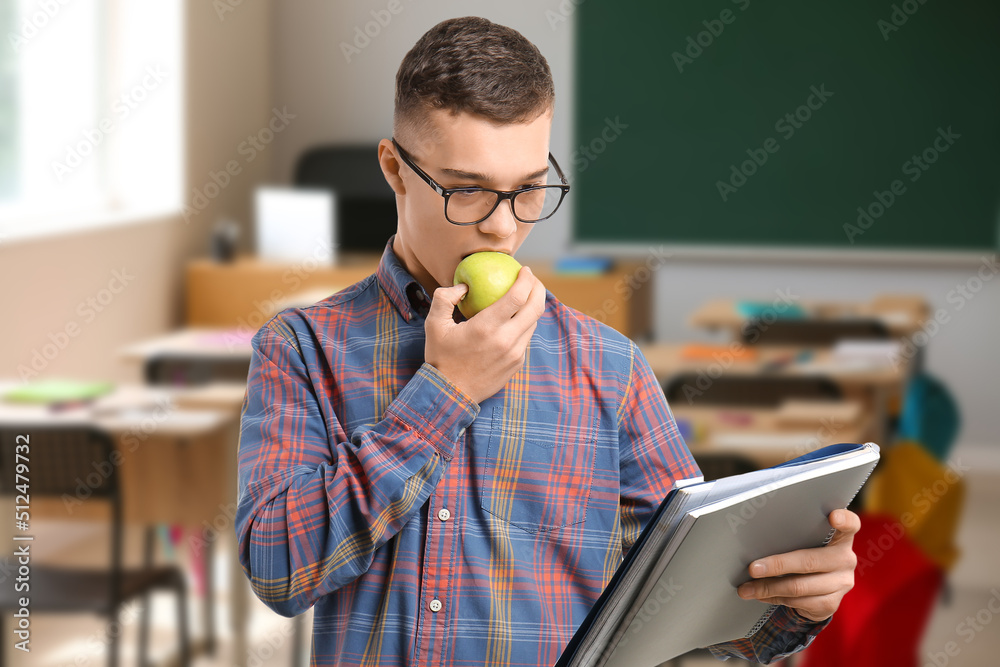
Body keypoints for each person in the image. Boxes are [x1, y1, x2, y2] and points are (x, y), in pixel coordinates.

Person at [235, 16, 860, 666]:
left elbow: (682, 620)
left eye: (529, 189)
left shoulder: (610, 368)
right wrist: (442, 395)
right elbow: (278, 571)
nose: (503, 228)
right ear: (394, 168)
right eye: (468, 190)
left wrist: (793, 603)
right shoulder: (302, 347)